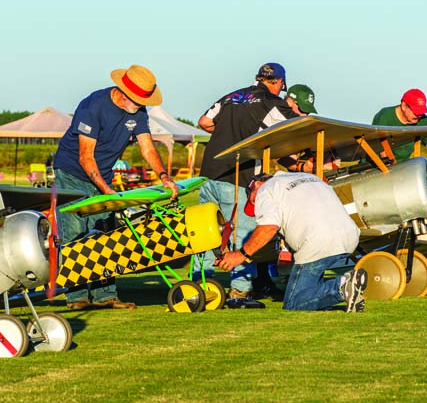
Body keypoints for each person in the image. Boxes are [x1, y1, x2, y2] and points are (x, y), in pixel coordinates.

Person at [53, 64, 179, 310]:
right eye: (140, 99)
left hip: (104, 175)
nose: (143, 104)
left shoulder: (139, 113)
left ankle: (106, 295)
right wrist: (106, 190)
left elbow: (147, 147)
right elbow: (85, 157)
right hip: (72, 173)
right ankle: (77, 298)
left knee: (106, 233)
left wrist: (165, 176)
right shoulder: (93, 106)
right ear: (123, 93)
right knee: (76, 235)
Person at [195, 63, 300, 308]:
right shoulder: (271, 101)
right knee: (243, 234)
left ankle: (199, 282)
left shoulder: (233, 95)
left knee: (204, 231)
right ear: (279, 83)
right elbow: (299, 124)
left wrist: (227, 136)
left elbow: (204, 122)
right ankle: (239, 290)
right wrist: (293, 108)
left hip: (209, 172)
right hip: (238, 176)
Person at [216, 172, 367, 312]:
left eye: (253, 201)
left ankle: (342, 286)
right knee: (311, 287)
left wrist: (240, 255)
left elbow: (268, 227)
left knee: (294, 302)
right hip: (350, 236)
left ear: (255, 185)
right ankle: (349, 293)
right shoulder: (308, 177)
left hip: (317, 242)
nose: (256, 207)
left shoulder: (266, 189)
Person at [371, 89, 427, 188]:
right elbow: (383, 152)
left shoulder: (423, 121)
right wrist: (396, 176)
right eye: (415, 111)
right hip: (375, 169)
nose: (419, 115)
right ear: (404, 106)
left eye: (421, 112)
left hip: (401, 170)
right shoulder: (385, 116)